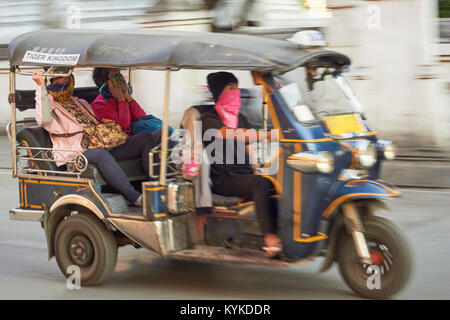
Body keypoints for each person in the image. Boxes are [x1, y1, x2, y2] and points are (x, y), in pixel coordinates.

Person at [32, 67, 157, 206]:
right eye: (58, 82)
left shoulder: (81, 102)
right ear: (51, 84)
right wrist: (40, 87)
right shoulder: (50, 105)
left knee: (145, 138)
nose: (63, 85)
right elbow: (43, 119)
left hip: (100, 144)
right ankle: (135, 197)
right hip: (77, 153)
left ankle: (155, 190)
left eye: (67, 81)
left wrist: (124, 99)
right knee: (100, 154)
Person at [201, 72, 281, 258]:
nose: (235, 92)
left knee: (277, 179)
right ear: (219, 91)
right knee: (261, 184)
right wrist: (270, 135)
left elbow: (247, 148)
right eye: (230, 88)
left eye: (237, 88)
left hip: (243, 174)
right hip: (224, 179)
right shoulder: (208, 120)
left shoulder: (240, 117)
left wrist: (256, 168)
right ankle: (270, 237)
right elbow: (235, 134)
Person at [90, 68, 147, 135]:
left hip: (138, 134)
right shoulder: (98, 105)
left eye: (120, 73)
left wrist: (128, 97)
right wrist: (121, 101)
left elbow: (143, 118)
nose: (121, 79)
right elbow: (122, 126)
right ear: (106, 84)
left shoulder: (126, 98)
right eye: (116, 75)